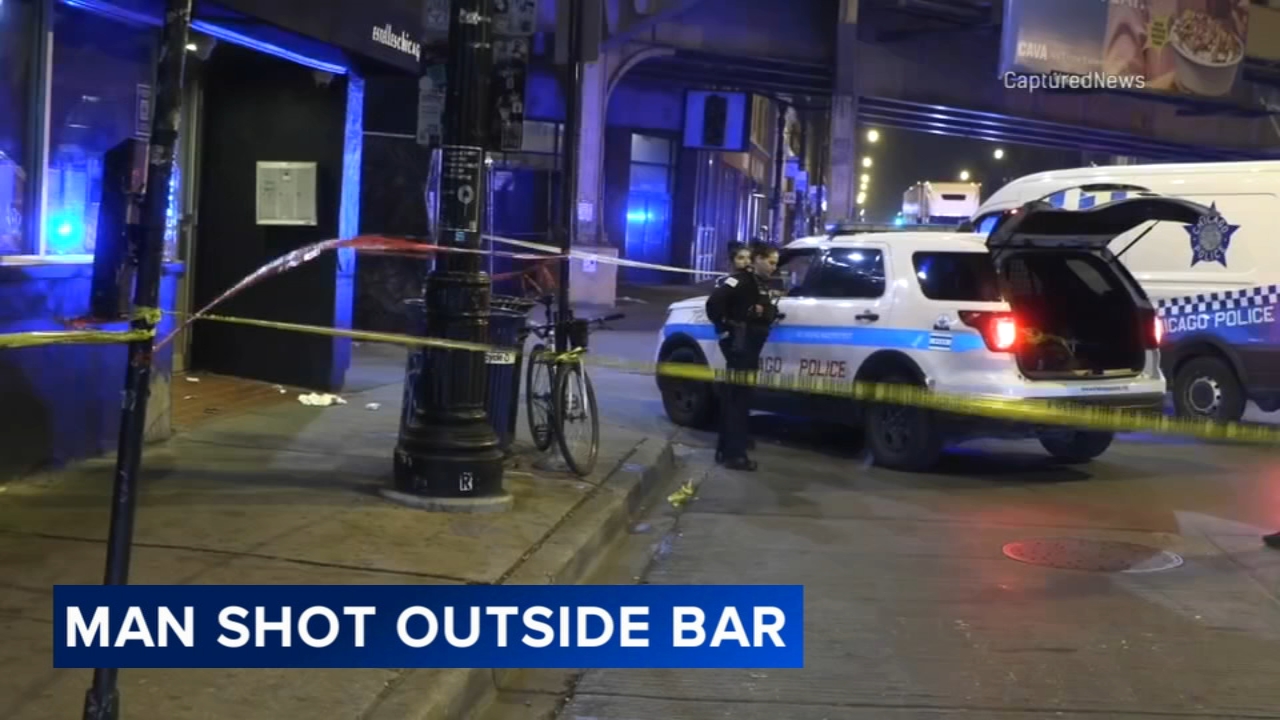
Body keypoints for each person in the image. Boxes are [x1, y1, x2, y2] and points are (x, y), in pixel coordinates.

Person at [705, 242, 780, 471]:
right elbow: (713, 305)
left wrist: (766, 312)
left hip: (750, 348)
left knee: (738, 400)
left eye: (775, 263)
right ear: (758, 260)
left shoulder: (759, 284)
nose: (773, 267)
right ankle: (734, 455)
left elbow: (766, 312)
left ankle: (727, 448)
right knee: (737, 401)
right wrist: (726, 330)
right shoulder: (740, 281)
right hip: (740, 348)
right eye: (770, 262)